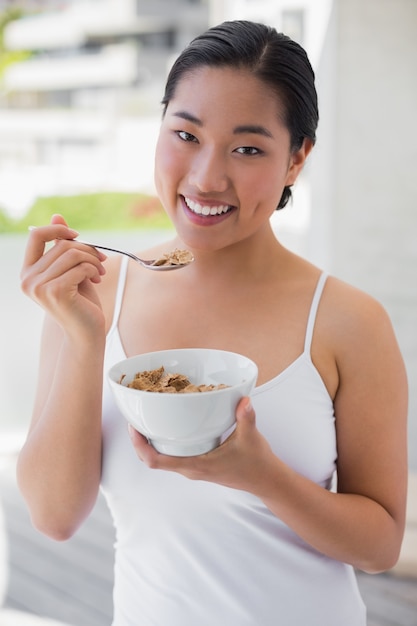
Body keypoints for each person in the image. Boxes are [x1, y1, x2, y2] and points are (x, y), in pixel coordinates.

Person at [18, 20, 408, 626]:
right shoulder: (95, 294)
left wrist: (263, 477)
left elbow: (380, 545)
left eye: (247, 148)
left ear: (296, 159)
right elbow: (53, 515)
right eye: (186, 134)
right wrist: (84, 339)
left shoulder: (347, 321)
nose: (206, 178)